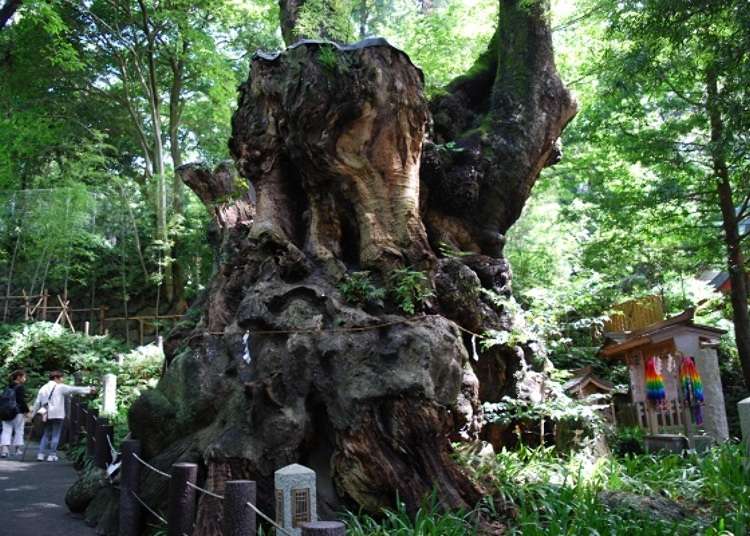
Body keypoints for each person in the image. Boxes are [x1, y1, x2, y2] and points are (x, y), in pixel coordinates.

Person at [31, 370, 95, 462]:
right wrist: (89, 389)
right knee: (56, 435)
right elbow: (74, 389)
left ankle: (40, 454)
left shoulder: (43, 388)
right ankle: (51, 455)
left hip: (45, 414)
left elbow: (37, 403)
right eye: (61, 377)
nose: (63, 379)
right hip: (57, 414)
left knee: (46, 434)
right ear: (56, 378)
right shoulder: (60, 387)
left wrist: (34, 415)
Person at [0, 369, 30, 458]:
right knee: (19, 430)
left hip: (5, 412)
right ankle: (17, 450)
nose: (25, 379)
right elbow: (21, 401)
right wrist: (27, 411)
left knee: (6, 430)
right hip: (17, 412)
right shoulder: (20, 387)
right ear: (19, 377)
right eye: (24, 377)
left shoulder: (7, 387)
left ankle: (5, 450)